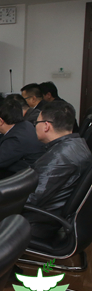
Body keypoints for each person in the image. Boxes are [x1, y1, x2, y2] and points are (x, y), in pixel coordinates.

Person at [25, 101, 92, 240]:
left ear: (46, 126)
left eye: (36, 123)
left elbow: (31, 198)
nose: (35, 126)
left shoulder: (58, 157)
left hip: (35, 224)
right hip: (54, 218)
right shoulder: (79, 144)